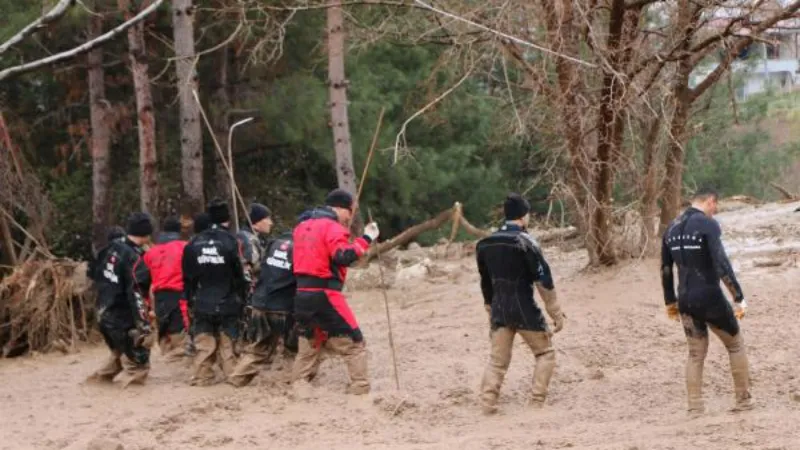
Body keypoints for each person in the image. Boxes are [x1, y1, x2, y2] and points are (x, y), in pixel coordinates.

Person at [661, 187, 752, 415]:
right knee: (735, 344)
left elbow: (665, 269)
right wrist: (738, 297)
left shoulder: (671, 228)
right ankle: (743, 401)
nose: (716, 210)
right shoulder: (708, 225)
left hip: (685, 299)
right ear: (710, 201)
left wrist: (670, 302)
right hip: (709, 297)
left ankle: (695, 407)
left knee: (695, 354)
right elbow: (721, 264)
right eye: (716, 205)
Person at [476, 193, 565, 415]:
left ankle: (487, 404)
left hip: (499, 309)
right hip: (524, 308)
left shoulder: (485, 244)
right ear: (523, 217)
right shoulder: (526, 242)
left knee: (497, 362)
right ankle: (536, 403)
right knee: (545, 354)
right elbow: (543, 279)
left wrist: (490, 309)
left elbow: (485, 282)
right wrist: (555, 312)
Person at [290, 189, 379, 395]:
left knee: (308, 345)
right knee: (355, 342)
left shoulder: (301, 227)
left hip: (302, 294)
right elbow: (343, 256)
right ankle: (360, 389)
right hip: (325, 295)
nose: (349, 217)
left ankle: (298, 387)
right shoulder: (332, 227)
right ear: (340, 208)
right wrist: (366, 238)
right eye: (349, 211)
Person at [182, 199, 248, 386]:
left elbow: (187, 276)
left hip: (201, 300)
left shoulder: (193, 243)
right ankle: (232, 377)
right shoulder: (231, 241)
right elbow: (240, 274)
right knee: (228, 343)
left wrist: (189, 300)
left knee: (204, 342)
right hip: (228, 300)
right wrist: (242, 298)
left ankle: (202, 377)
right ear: (227, 220)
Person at [86, 213, 154, 387]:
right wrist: (144, 326)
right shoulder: (134, 259)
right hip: (122, 318)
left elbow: (93, 274)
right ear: (146, 234)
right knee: (139, 362)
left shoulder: (108, 249)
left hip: (102, 313)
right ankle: (130, 399)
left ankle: (97, 384)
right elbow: (136, 294)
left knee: (119, 352)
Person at [228, 229, 297, 387]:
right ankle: (292, 382)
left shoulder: (273, 243)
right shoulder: (301, 248)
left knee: (260, 347)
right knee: (292, 347)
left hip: (259, 303)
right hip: (282, 307)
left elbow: (258, 268)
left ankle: (236, 379)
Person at [143, 217, 189, 361]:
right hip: (178, 295)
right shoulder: (185, 247)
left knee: (164, 331)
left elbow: (144, 279)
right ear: (178, 231)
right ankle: (176, 364)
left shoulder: (150, 253)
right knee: (180, 333)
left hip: (158, 298)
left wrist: (147, 304)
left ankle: (167, 361)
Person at [237, 203, 274, 282]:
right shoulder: (248, 240)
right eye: (267, 219)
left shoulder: (257, 238)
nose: (270, 223)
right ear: (256, 222)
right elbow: (249, 270)